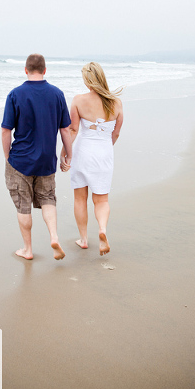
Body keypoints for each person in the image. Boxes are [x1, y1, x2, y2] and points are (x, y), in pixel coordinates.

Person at [1, 53, 73, 260]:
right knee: (48, 198)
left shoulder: (15, 94)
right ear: (44, 70)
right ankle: (54, 236)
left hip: (20, 161)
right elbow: (65, 129)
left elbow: (6, 130)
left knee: (23, 205)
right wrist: (68, 155)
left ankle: (28, 249)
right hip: (46, 160)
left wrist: (8, 157)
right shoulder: (57, 94)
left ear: (25, 70)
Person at [60, 62, 123, 256]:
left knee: (80, 198)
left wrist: (64, 154)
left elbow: (73, 130)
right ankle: (102, 230)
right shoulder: (116, 103)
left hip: (83, 152)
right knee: (101, 199)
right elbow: (116, 134)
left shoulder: (79, 100)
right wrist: (104, 149)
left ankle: (84, 239)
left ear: (87, 80)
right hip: (104, 153)